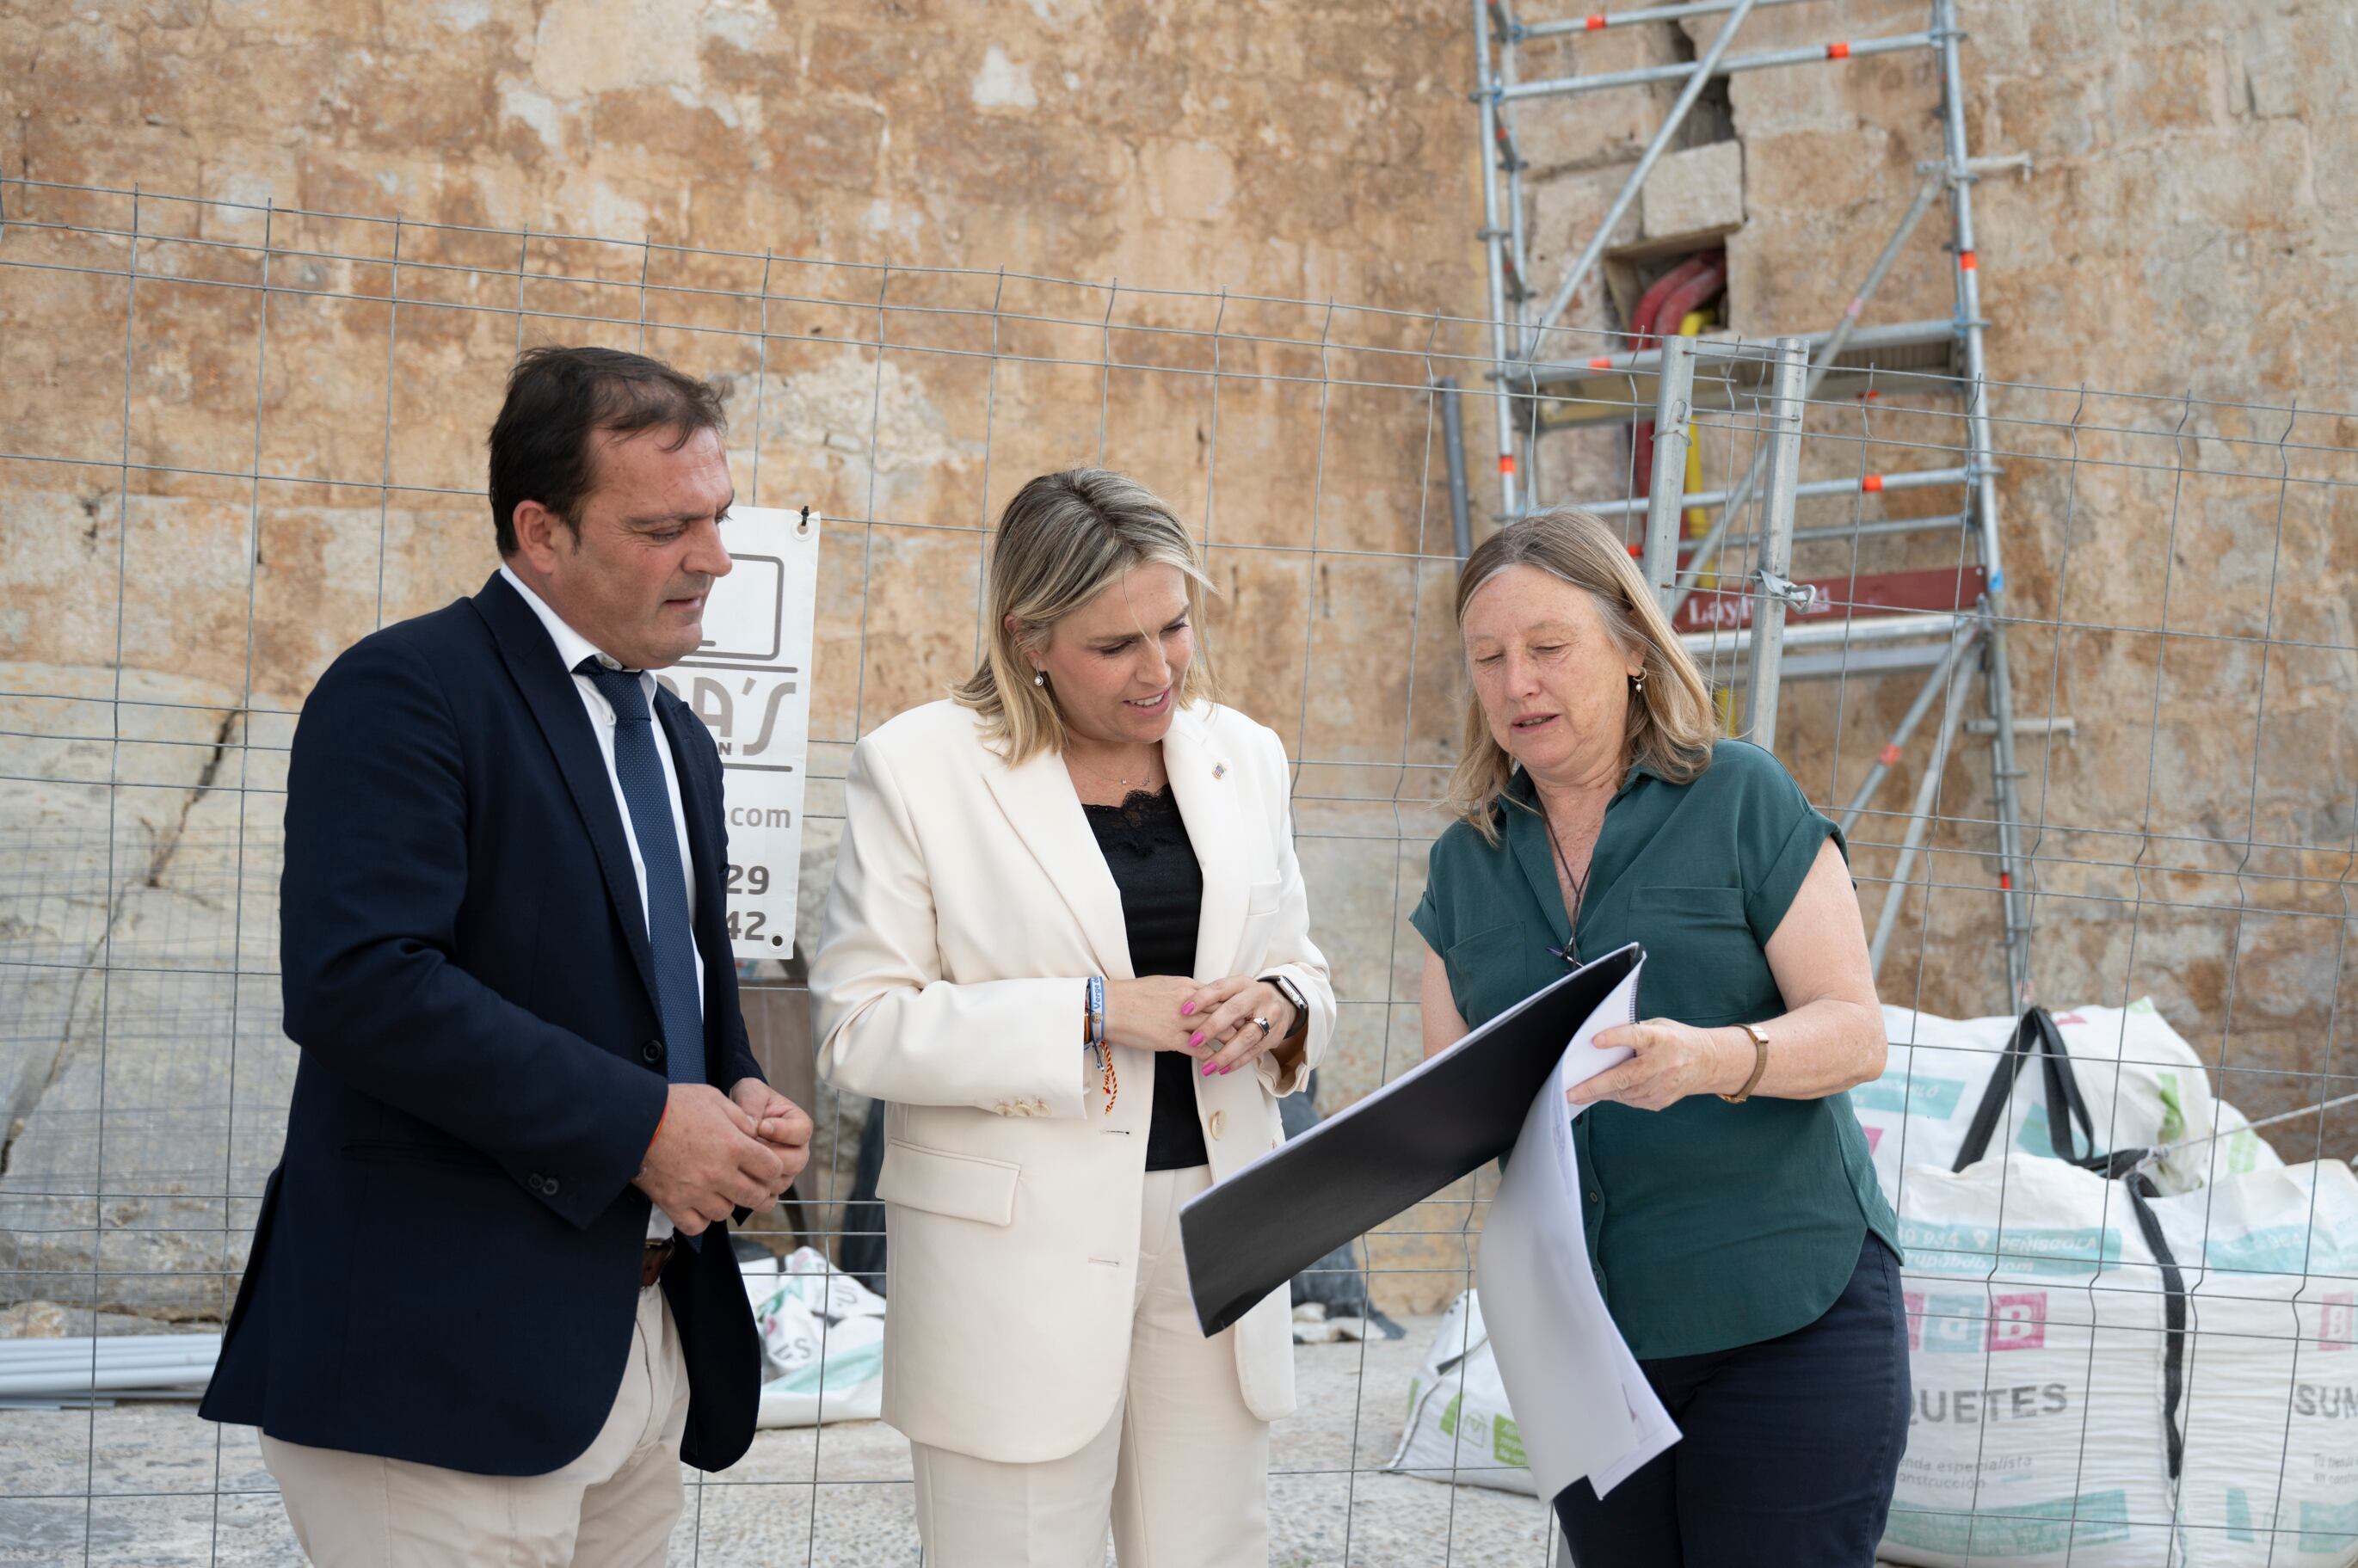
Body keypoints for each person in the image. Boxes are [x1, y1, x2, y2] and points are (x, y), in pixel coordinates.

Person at [201, 346, 814, 1566]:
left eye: (719, 518)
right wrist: (646, 1123)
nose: (714, 558)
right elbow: (361, 981)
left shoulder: (677, 733)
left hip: (638, 1342)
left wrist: (737, 1089)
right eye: (664, 526)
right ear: (540, 531)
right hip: (437, 1364)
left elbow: (665, 995)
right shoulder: (406, 691)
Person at [809, 467, 1335, 1566]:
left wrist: (1285, 1007)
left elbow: (1299, 964)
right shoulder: (915, 767)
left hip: (1217, 1229)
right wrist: (1090, 1012)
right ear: (1027, 635)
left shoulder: (1246, 753)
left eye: (1175, 626)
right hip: (1013, 1261)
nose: (1159, 670)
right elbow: (861, 1026)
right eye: (1116, 645)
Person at [1412, 508, 1908, 1564]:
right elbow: (1449, 1102)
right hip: (1588, 1349)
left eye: (1547, 648)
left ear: (1632, 646)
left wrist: (1709, 1058)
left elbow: (1855, 1031)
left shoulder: (1739, 794)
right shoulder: (1464, 864)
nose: (1515, 684)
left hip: (1784, 1314)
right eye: (1487, 658)